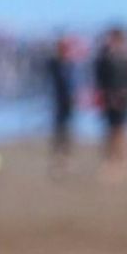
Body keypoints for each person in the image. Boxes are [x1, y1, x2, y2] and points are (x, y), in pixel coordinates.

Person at [93, 25, 127, 181]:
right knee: (109, 130)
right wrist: (107, 95)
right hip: (109, 99)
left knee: (120, 130)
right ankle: (109, 161)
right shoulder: (104, 57)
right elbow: (100, 78)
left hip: (124, 99)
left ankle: (120, 161)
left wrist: (126, 94)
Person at [45, 34, 77, 177]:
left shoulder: (71, 64)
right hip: (57, 102)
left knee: (67, 132)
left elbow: (74, 84)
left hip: (69, 103)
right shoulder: (54, 64)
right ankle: (57, 159)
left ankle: (66, 159)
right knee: (59, 132)